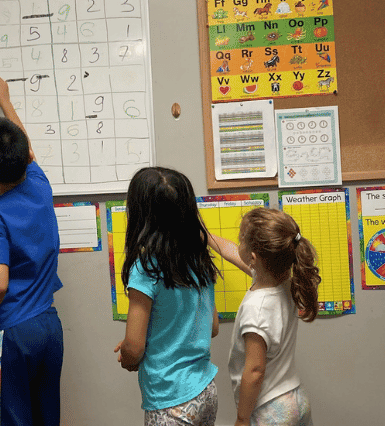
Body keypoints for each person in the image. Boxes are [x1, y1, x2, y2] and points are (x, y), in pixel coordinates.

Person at [114, 166, 251, 426]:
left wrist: (130, 355)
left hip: (170, 402)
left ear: (140, 215)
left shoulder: (145, 268)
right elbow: (211, 328)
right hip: (205, 390)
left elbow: (134, 346)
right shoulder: (199, 260)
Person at [0, 76, 63, 426]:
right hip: (49, 330)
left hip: (9, 338)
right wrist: (5, 102)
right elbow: (29, 150)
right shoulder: (39, 186)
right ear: (25, 158)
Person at [228, 207, 321, 426]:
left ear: (253, 258)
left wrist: (242, 419)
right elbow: (230, 251)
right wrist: (206, 236)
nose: (237, 243)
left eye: (241, 239)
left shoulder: (256, 307)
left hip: (270, 410)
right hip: (295, 399)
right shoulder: (286, 283)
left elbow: (255, 370)